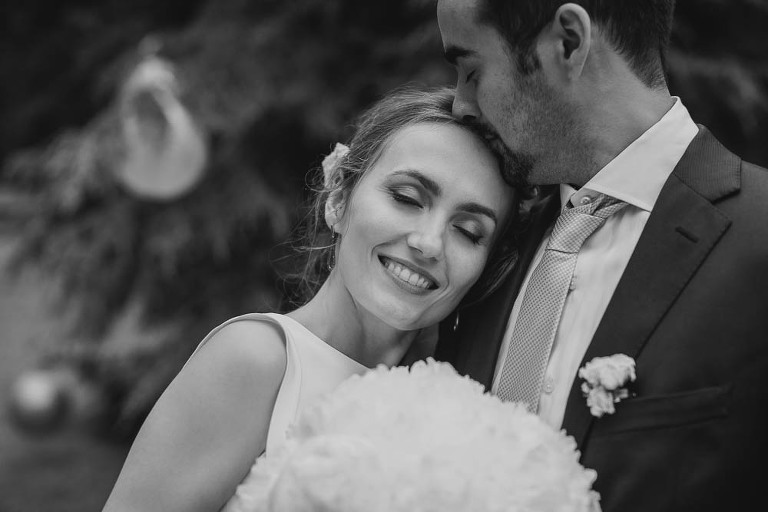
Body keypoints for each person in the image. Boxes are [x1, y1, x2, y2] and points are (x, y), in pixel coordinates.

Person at [101, 86, 518, 512]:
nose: (429, 243)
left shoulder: (453, 410)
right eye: (407, 198)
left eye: (468, 231)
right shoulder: (257, 360)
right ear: (338, 198)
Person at [434, 1, 768, 511]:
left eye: (472, 70)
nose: (460, 105)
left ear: (568, 42)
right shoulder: (484, 240)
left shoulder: (758, 237)